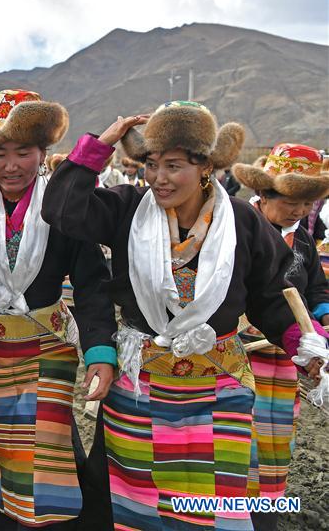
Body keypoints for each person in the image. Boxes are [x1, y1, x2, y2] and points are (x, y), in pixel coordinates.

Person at [41, 101, 328, 531]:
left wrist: (301, 344)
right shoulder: (127, 209)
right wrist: (100, 145)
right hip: (142, 382)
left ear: (205, 166)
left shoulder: (243, 222)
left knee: (217, 498)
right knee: (131, 492)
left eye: (173, 165)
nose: (158, 178)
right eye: (151, 164)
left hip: (218, 383)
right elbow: (61, 208)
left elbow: (271, 298)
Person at [0, 90, 117, 530]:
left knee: (46, 449)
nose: (10, 165)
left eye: (23, 151)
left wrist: (100, 351)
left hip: (45, 350)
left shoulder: (63, 210)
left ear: (44, 153)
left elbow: (93, 284)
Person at [232, 143, 329, 531]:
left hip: (284, 357)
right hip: (237, 354)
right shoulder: (236, 227)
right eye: (294, 200)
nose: (302, 211)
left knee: (276, 437)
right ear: (267, 192)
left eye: (308, 203)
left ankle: (264, 514)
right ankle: (229, 511)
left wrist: (321, 320)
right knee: (240, 435)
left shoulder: (302, 239)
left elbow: (316, 290)